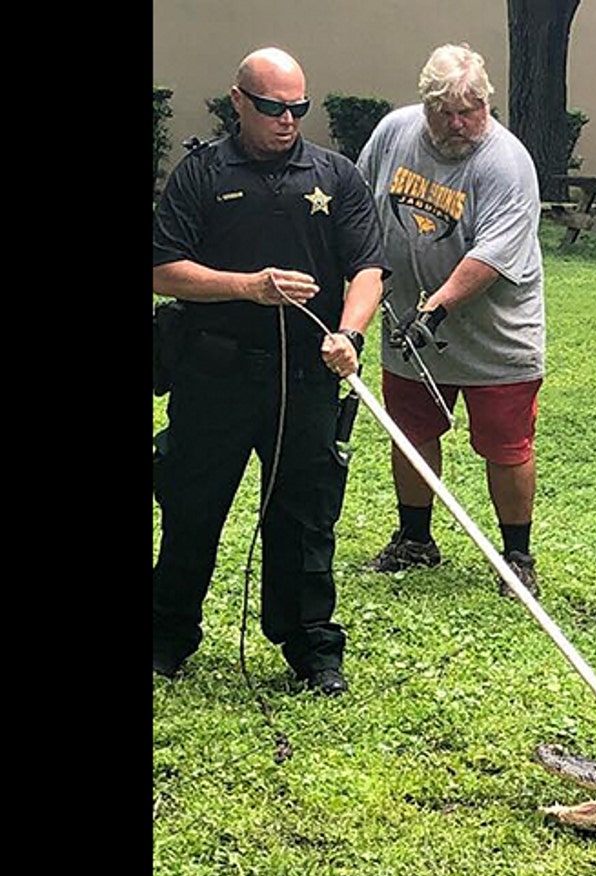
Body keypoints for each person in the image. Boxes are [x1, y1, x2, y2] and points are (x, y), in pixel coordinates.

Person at [152, 47, 386, 696]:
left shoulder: (336, 176)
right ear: (239, 101)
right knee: (191, 511)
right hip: (214, 375)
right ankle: (166, 636)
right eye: (272, 107)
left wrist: (350, 333)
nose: (287, 120)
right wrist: (245, 286)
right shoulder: (200, 175)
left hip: (306, 380)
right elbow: (162, 268)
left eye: (299, 108)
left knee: (305, 519)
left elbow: (368, 268)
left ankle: (313, 651)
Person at [356, 43, 547, 598]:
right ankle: (415, 540)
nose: (462, 123)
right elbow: (359, 205)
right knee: (412, 434)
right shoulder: (394, 134)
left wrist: (433, 309)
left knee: (506, 447)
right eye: (448, 113)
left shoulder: (506, 163)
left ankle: (516, 555)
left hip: (495, 338)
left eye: (474, 109)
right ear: (426, 108)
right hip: (410, 329)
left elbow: (490, 257)